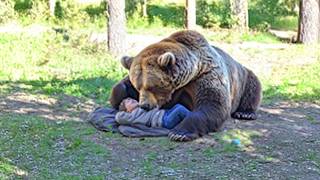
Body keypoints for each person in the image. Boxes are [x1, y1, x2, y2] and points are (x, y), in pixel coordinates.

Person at [115, 97, 190, 129]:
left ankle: (193, 118)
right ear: (127, 110)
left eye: (131, 99)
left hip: (165, 113)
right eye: (128, 101)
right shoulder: (131, 117)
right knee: (180, 109)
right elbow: (118, 117)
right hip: (164, 121)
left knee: (177, 106)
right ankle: (197, 120)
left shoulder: (142, 107)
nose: (131, 100)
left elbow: (155, 107)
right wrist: (121, 110)